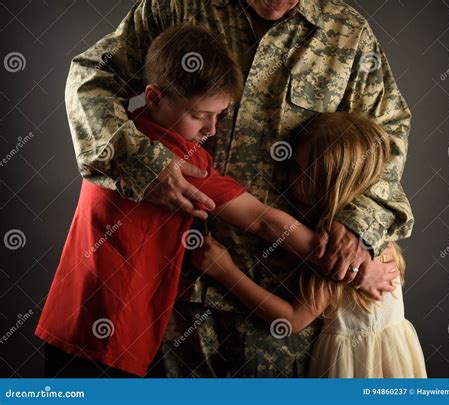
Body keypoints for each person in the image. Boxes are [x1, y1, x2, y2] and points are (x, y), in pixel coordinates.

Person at [63, 0, 413, 376]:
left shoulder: (348, 33)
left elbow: (386, 138)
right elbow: (92, 77)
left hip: (281, 295)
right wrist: (144, 162)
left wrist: (359, 227)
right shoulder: (173, 7)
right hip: (170, 292)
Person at [36, 25, 334, 377]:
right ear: (155, 97)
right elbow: (260, 220)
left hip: (69, 318)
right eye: (199, 115)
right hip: (113, 336)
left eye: (219, 115)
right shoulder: (178, 157)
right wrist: (342, 258)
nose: (212, 129)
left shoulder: (123, 133)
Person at [193, 112, 426, 378]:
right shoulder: (376, 235)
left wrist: (226, 272)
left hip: (353, 367)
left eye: (302, 172)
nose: (289, 177)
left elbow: (291, 320)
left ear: (331, 185)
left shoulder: (340, 248)